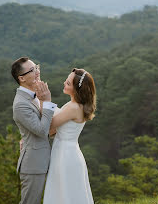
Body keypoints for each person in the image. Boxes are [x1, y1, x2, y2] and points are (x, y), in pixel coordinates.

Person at [43, 68, 96, 204]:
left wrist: (45, 100)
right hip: (66, 151)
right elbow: (54, 129)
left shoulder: (74, 107)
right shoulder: (74, 105)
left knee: (65, 193)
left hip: (66, 154)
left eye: (68, 83)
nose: (64, 83)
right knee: (64, 192)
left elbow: (49, 125)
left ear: (77, 90)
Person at [11, 57, 57, 204]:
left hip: (45, 160)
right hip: (33, 165)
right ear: (22, 78)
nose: (37, 71)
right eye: (32, 70)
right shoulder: (20, 104)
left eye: (36, 67)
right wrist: (47, 101)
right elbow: (42, 131)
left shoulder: (35, 95)